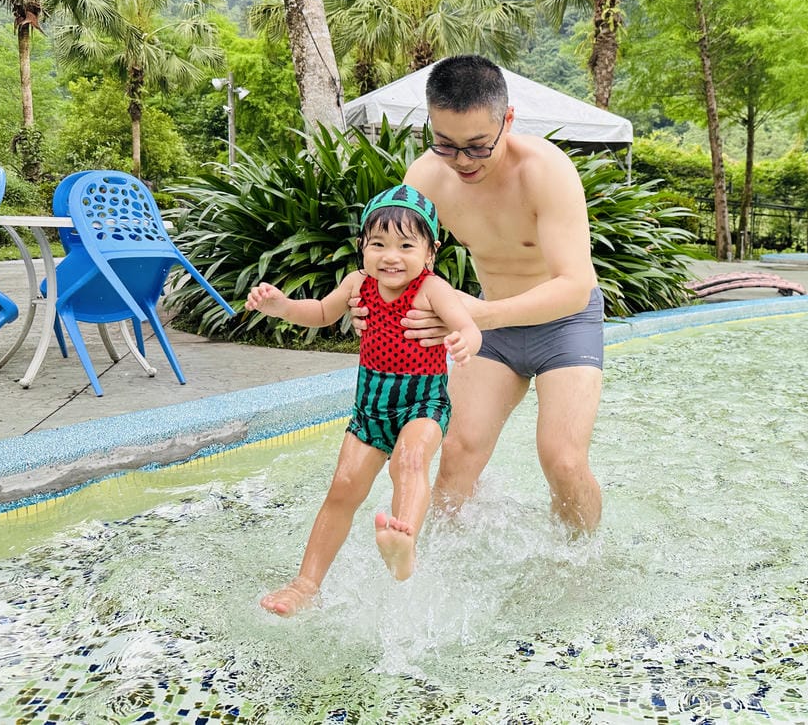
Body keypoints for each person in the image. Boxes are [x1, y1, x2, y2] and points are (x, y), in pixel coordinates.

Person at [350, 54, 604, 535]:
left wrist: (479, 316)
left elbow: (574, 287)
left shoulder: (545, 171)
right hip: (489, 328)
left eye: (477, 147)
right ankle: (443, 566)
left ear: (507, 120)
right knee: (457, 456)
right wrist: (370, 307)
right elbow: (399, 265)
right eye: (445, 144)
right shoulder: (425, 178)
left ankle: (583, 561)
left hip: (564, 326)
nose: (462, 161)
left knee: (563, 460)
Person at [246, 185, 481, 616]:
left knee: (408, 462)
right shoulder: (358, 283)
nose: (391, 256)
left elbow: (469, 324)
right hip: (370, 409)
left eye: (406, 245)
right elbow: (319, 313)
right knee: (342, 489)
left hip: (422, 403)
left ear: (430, 252)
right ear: (362, 248)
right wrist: (281, 307)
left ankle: (403, 539)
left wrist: (465, 339)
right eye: (379, 244)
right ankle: (305, 584)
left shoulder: (434, 290)